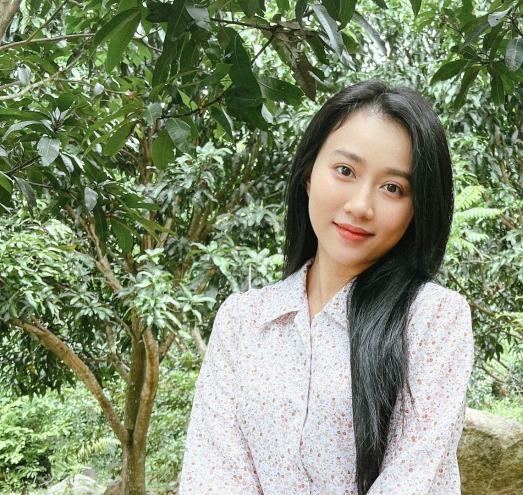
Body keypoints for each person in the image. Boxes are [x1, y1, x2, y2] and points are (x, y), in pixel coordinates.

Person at [178, 80, 474, 495]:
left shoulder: (433, 320)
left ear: (418, 207)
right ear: (308, 175)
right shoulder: (242, 322)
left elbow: (413, 481)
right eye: (345, 171)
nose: (360, 206)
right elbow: (212, 476)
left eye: (393, 188)